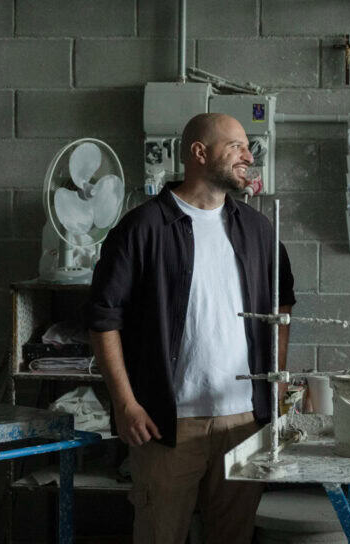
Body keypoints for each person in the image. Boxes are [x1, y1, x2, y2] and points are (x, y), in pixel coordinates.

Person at [88, 113, 295, 544]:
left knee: (232, 537)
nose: (248, 155)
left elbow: (282, 304)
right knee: (159, 535)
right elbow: (103, 320)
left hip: (243, 421)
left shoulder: (256, 229)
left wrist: (274, 384)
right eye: (235, 145)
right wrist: (125, 405)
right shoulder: (142, 228)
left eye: (247, 145)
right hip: (167, 424)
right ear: (199, 153)